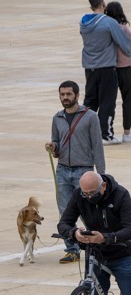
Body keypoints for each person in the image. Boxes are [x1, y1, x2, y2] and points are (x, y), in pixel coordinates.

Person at [45, 81, 106, 264]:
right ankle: (71, 249)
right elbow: (57, 144)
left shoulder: (90, 117)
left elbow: (97, 146)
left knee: (89, 211)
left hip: (84, 170)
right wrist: (53, 146)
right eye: (62, 94)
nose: (65, 97)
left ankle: (95, 243)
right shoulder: (57, 118)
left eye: (68, 94)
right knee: (65, 212)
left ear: (77, 95)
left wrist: (102, 175)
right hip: (63, 170)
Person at [80, 0, 131, 144]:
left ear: (91, 5)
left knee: (90, 100)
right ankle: (106, 134)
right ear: (102, 3)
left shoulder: (83, 22)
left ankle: (83, 132)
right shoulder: (109, 22)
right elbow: (123, 42)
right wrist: (128, 52)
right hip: (106, 66)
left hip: (89, 66)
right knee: (107, 102)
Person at [103, 2, 131, 143]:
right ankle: (127, 132)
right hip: (124, 67)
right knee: (127, 99)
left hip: (109, 66)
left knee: (109, 101)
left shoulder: (105, 27)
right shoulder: (123, 29)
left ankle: (108, 130)